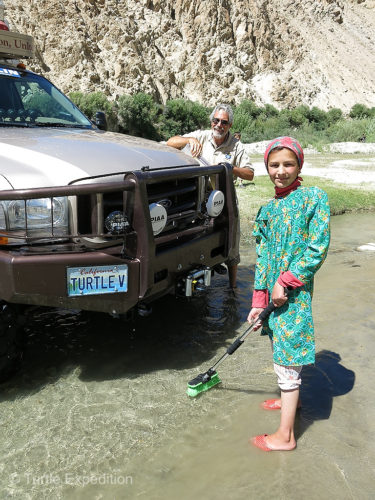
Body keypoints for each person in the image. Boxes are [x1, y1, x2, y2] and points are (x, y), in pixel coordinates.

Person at [247, 136, 330, 451]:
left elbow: (317, 247)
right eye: (274, 165)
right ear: (266, 167)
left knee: (288, 355)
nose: (280, 171)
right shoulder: (268, 208)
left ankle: (285, 437)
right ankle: (287, 399)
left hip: (294, 294)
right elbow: (264, 258)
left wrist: (288, 280)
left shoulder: (313, 197)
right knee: (279, 345)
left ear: (300, 165)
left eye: (288, 164)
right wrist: (258, 300)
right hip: (272, 295)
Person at [166, 104, 254, 288]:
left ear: (230, 125)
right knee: (199, 240)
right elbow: (170, 142)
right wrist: (189, 140)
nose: (219, 125)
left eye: (224, 122)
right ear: (211, 121)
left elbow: (249, 174)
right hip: (198, 201)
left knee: (231, 242)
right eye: (216, 120)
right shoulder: (202, 136)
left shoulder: (237, 146)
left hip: (226, 200)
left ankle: (232, 287)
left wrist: (230, 168)